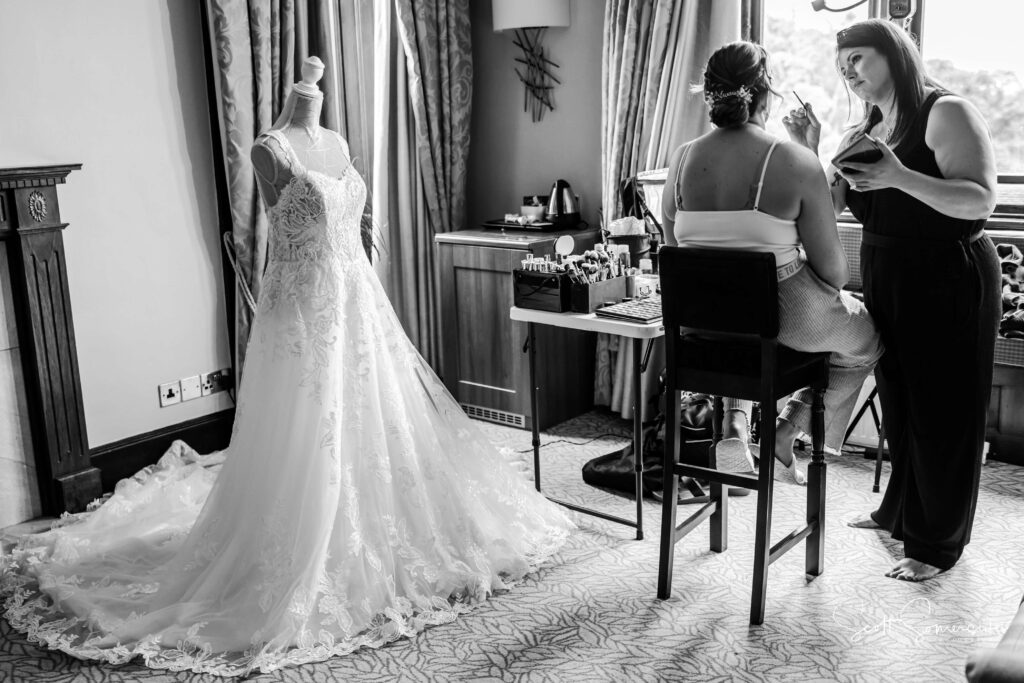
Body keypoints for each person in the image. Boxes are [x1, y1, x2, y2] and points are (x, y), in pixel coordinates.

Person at [0, 56, 573, 676]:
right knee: (314, 428)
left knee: (379, 423)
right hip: (305, 314)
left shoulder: (338, 142)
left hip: (358, 305)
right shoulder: (269, 150)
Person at [782, 19, 1001, 582]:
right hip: (889, 275)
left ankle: (936, 544)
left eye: (857, 58)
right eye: (842, 65)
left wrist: (901, 176)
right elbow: (831, 206)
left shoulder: (946, 112)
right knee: (901, 403)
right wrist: (811, 150)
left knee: (944, 412)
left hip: (949, 275)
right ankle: (897, 512)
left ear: (896, 55)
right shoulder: (865, 127)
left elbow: (980, 201)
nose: (848, 71)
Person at [662, 41, 883, 485]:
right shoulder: (793, 161)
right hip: (784, 314)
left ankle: (735, 423)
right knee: (867, 341)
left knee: (741, 322)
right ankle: (785, 430)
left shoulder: (681, 158)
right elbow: (834, 274)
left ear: (710, 96)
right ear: (766, 94)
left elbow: (676, 248)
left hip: (704, 327)